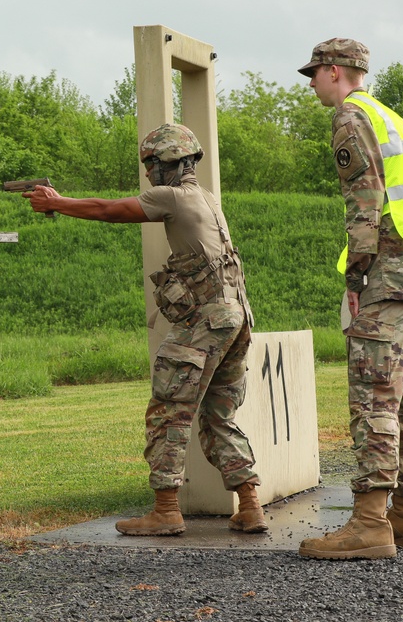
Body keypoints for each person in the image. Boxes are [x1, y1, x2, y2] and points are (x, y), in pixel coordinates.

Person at [22, 123, 268, 536]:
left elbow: (107, 210)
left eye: (151, 163)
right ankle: (250, 506)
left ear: (166, 162)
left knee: (168, 410)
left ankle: (166, 510)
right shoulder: (206, 198)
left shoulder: (171, 196)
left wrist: (58, 202)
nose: (149, 173)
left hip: (206, 321)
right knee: (217, 415)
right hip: (237, 317)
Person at [296, 39, 403, 560]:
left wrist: (356, 279)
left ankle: (369, 524)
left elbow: (364, 201)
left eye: (313, 73)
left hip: (385, 275)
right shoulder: (391, 117)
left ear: (334, 71)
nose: (311, 82)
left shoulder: (350, 118)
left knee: (374, 401)